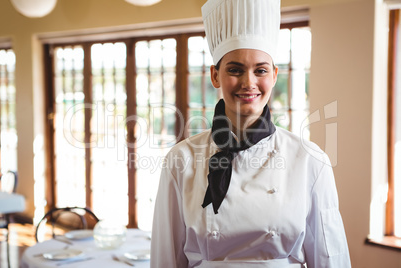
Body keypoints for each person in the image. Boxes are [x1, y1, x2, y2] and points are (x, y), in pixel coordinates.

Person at [151, 0, 352, 267]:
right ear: (215, 76)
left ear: (274, 75)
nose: (249, 83)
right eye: (235, 69)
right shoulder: (181, 159)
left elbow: (331, 259)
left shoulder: (310, 160)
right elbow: (165, 258)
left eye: (261, 70)